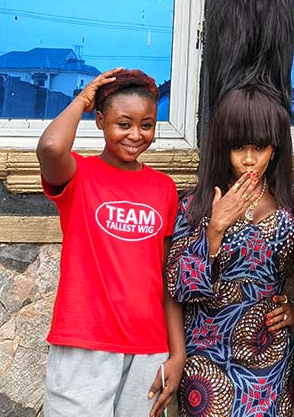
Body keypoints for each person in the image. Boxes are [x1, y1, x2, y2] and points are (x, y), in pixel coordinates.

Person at [37, 67, 184, 417]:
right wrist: (82, 99)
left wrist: (177, 353)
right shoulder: (79, 175)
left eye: (146, 125)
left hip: (148, 348)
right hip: (84, 342)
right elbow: (50, 146)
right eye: (123, 124)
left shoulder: (163, 188)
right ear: (100, 120)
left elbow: (167, 276)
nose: (135, 135)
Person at [165, 86, 294, 417]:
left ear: (275, 147)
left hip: (268, 357)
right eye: (238, 148)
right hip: (206, 360)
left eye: (259, 147)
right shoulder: (195, 204)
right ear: (222, 147)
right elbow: (177, 287)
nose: (248, 159)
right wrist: (214, 231)